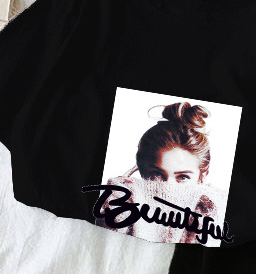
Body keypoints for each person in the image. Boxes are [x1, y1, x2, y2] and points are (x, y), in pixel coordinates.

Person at [95, 101, 230, 245]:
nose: (167, 187)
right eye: (156, 175)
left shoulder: (213, 213)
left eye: (183, 177)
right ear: (142, 171)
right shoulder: (120, 206)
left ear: (202, 176)